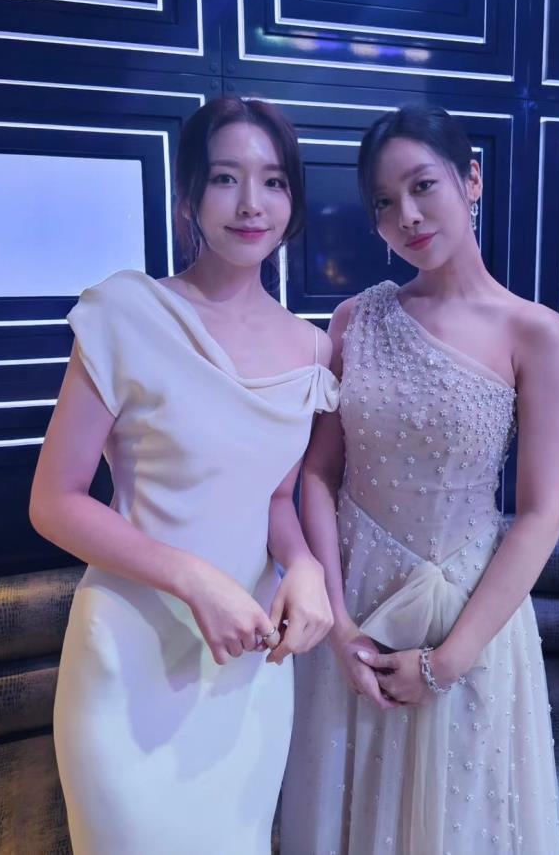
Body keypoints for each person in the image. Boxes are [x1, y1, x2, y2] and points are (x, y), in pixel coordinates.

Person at [29, 97, 339, 854]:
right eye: (226, 178)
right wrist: (196, 579)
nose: (251, 203)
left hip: (247, 668)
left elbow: (275, 497)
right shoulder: (126, 312)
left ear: (293, 201)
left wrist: (303, 566)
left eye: (273, 181)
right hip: (129, 655)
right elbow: (55, 501)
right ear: (189, 197)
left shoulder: (311, 349)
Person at [281, 105, 559, 854]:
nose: (406, 216)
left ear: (471, 179)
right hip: (354, 612)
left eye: (422, 186)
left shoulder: (536, 333)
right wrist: (339, 625)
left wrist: (449, 662)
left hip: (467, 619)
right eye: (384, 202)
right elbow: (317, 474)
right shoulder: (354, 319)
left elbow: (541, 514)